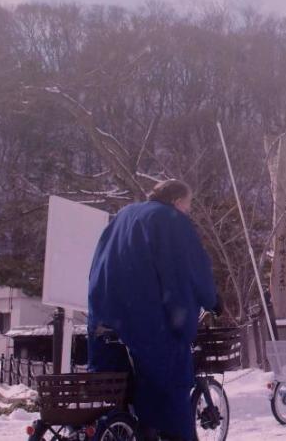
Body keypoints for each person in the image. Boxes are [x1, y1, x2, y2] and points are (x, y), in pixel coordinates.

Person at [88, 179, 219, 441]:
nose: (188, 211)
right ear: (177, 201)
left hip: (105, 314)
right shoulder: (170, 219)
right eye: (189, 205)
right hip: (147, 317)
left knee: (114, 390)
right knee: (168, 387)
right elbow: (191, 267)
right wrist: (212, 299)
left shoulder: (124, 214)